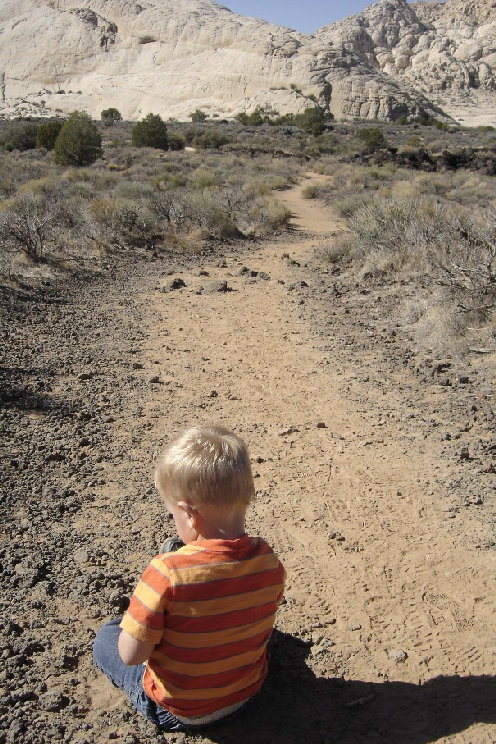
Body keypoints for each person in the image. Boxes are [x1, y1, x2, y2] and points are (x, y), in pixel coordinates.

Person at [93, 425, 285, 731]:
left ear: (187, 513)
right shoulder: (268, 561)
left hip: (179, 711)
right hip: (247, 696)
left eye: (172, 514)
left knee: (108, 637)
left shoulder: (165, 570)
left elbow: (131, 656)